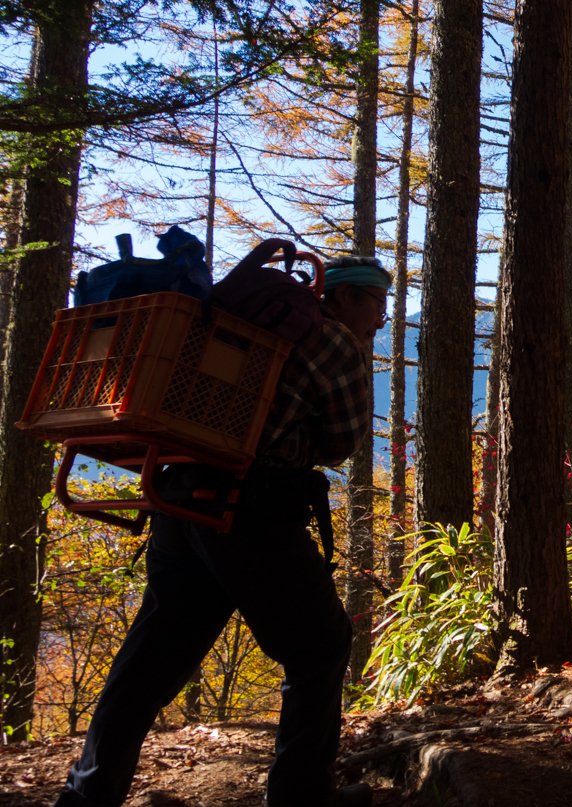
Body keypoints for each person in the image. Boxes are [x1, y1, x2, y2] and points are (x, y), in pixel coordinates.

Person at [56, 255, 392, 807]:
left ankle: (87, 795)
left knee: (150, 661)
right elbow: (341, 443)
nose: (380, 319)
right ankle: (302, 796)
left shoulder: (248, 326)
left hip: (178, 499)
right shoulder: (334, 342)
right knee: (320, 646)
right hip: (254, 513)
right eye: (377, 303)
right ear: (348, 296)